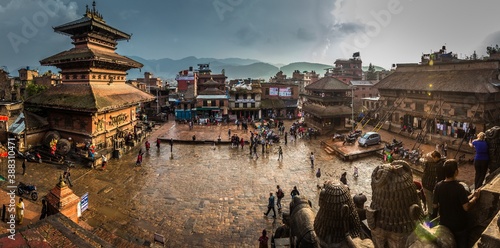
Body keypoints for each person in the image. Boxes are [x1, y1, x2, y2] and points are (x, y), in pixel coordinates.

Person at [433, 159, 481, 248]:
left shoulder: (438, 186)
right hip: (459, 226)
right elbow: (466, 207)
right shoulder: (459, 188)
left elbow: (435, 205)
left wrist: (471, 196)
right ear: (456, 172)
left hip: (444, 225)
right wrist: (475, 198)